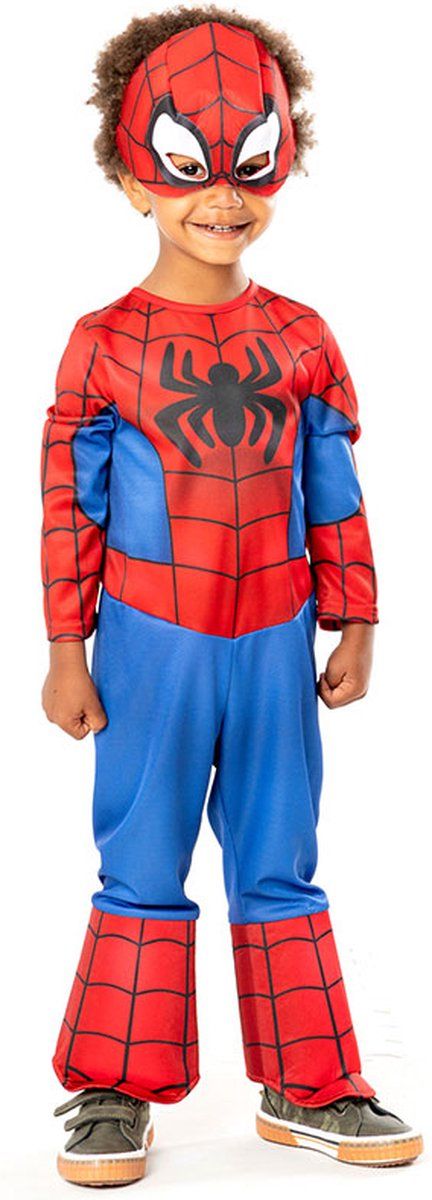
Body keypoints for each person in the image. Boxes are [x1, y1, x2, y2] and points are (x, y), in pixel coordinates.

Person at [40, 5, 423, 1185]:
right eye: (186, 166)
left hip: (275, 640)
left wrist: (358, 620)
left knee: (280, 853)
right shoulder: (102, 343)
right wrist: (66, 649)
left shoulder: (302, 337)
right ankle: (114, 1086)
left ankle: (311, 1083)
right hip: (147, 643)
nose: (221, 196)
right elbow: (69, 506)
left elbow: (334, 489)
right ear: (130, 176)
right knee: (141, 855)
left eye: (248, 165)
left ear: (282, 161)